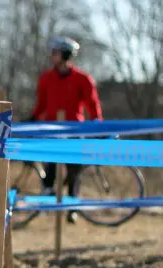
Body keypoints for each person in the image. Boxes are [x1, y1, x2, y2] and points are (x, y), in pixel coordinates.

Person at [28, 36, 104, 223]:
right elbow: (42, 104)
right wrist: (33, 118)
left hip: (74, 129)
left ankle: (72, 207)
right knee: (50, 163)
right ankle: (47, 192)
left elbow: (92, 105)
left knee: (74, 169)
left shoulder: (83, 79)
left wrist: (98, 124)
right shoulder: (46, 78)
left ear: (66, 54)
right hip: (52, 129)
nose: (52, 56)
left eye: (55, 52)